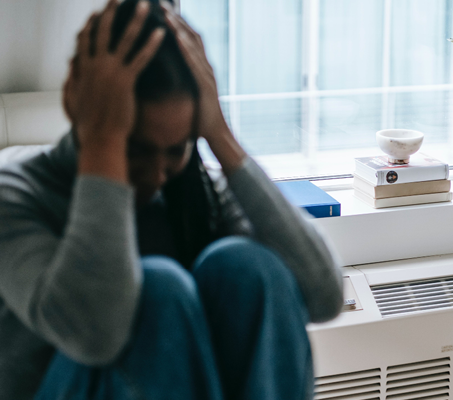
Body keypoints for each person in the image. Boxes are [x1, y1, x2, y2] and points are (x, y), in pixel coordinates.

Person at [0, 1, 343, 399]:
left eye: (175, 150)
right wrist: (105, 143)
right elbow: (93, 334)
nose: (157, 176)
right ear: (77, 105)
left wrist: (221, 138)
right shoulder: (17, 193)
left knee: (248, 267)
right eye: (137, 150)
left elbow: (324, 297)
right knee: (159, 289)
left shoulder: (193, 191)